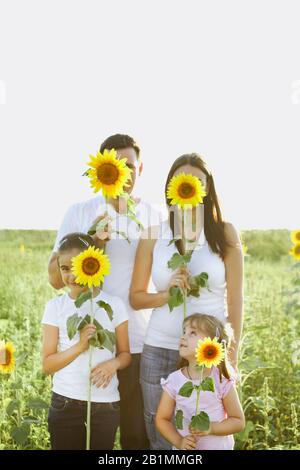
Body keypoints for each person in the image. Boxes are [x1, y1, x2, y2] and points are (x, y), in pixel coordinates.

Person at [48, 134, 161, 449]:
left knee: (136, 436)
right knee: (86, 436)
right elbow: (56, 280)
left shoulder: (154, 217)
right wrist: (91, 242)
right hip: (86, 342)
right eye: (115, 166)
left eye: (130, 166)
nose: (123, 174)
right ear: (101, 170)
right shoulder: (80, 213)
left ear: (141, 169)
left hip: (137, 342)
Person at [130, 153, 244, 449]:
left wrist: (230, 356)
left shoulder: (224, 233)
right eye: (182, 180)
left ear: (208, 189)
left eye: (198, 181)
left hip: (209, 355)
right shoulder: (154, 234)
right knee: (163, 439)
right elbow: (137, 297)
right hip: (160, 351)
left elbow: (235, 302)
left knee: (206, 437)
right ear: (171, 187)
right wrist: (169, 293)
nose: (190, 185)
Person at [42, 232, 131, 450]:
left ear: (93, 264)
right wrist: (80, 346)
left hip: (105, 404)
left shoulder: (114, 305)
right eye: (64, 268)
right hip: (66, 402)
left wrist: (113, 364)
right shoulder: (55, 308)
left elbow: (125, 354)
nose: (71, 275)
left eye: (77, 266)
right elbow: (47, 364)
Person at [155, 314, 245, 450]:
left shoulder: (220, 380)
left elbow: (238, 421)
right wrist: (179, 442)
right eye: (184, 331)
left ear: (211, 343)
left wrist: (211, 428)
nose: (183, 336)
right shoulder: (174, 381)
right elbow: (162, 419)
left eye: (192, 333)